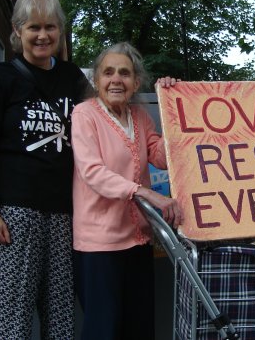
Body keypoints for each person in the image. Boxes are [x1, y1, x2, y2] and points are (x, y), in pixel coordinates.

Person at [0, 0, 88, 339]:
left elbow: (110, 115)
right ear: (18, 30)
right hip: (15, 213)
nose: (42, 35)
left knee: (61, 312)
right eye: (33, 27)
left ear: (60, 31)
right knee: (15, 313)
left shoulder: (73, 79)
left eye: (50, 27)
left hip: (65, 213)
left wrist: (167, 89)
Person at [71, 42, 182, 340]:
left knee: (139, 326)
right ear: (96, 80)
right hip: (99, 245)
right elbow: (92, 172)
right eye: (108, 72)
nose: (116, 79)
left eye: (124, 73)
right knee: (103, 330)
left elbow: (160, 156)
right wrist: (144, 192)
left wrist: (171, 104)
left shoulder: (141, 117)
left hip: (138, 239)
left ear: (135, 82)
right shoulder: (84, 114)